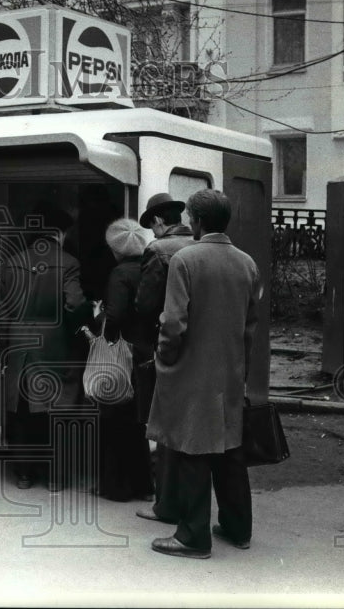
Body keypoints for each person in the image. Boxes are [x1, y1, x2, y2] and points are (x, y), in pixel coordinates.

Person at [146, 189, 260, 560]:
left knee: (192, 449)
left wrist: (165, 357)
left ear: (196, 220)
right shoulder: (246, 263)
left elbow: (173, 322)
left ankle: (193, 536)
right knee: (229, 448)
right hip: (230, 369)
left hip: (191, 369)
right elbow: (250, 327)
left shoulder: (185, 259)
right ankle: (237, 527)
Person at [0, 201, 92, 492]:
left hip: (19, 346)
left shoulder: (12, 262)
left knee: (23, 411)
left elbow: (3, 311)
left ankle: (24, 475)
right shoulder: (69, 262)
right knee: (57, 411)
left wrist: (4, 347)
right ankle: (56, 477)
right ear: (59, 232)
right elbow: (75, 302)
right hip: (56, 346)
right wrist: (83, 321)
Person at [133, 192, 196, 524]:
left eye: (152, 226)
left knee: (160, 425)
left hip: (161, 346)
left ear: (158, 221)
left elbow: (145, 305)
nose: (153, 233)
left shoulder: (158, 251)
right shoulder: (199, 244)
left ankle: (165, 501)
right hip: (196, 349)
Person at [94, 218, 155, 502]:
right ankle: (144, 485)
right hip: (144, 350)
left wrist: (101, 323)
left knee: (114, 419)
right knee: (136, 422)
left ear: (115, 249)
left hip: (123, 354)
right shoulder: (149, 268)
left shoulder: (120, 273)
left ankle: (116, 486)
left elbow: (115, 315)